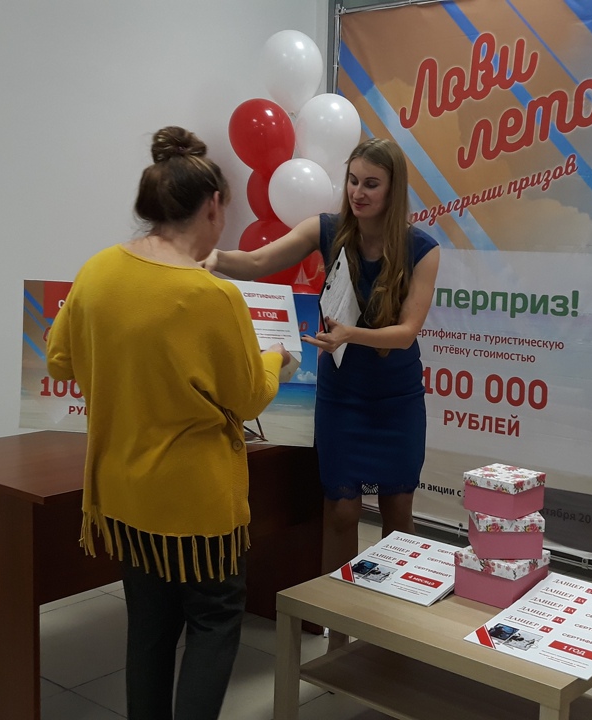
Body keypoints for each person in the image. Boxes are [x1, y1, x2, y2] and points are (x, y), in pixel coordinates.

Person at [47, 126, 291, 719]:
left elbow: (60, 358)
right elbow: (247, 397)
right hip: (196, 503)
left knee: (149, 626)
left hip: (123, 494)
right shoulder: (213, 297)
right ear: (213, 206)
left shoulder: (98, 271)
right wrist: (275, 360)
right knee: (214, 620)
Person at [206, 137, 440, 649]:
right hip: (343, 396)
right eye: (353, 180)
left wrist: (350, 335)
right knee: (341, 510)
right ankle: (339, 635)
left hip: (396, 399)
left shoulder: (422, 249)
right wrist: (207, 256)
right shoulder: (326, 229)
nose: (358, 193)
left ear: (394, 189)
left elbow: (405, 333)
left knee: (399, 511)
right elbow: (258, 261)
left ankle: (392, 631)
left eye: (371, 184)